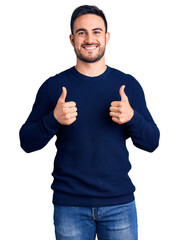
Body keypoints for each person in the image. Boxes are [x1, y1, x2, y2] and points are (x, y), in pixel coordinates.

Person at [19, 5, 160, 240]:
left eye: (96, 31)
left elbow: (152, 142)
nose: (89, 38)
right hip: (70, 206)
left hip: (119, 205)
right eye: (82, 32)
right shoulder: (54, 86)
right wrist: (53, 119)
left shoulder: (127, 85)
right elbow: (26, 141)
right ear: (72, 39)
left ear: (106, 37)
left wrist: (132, 118)